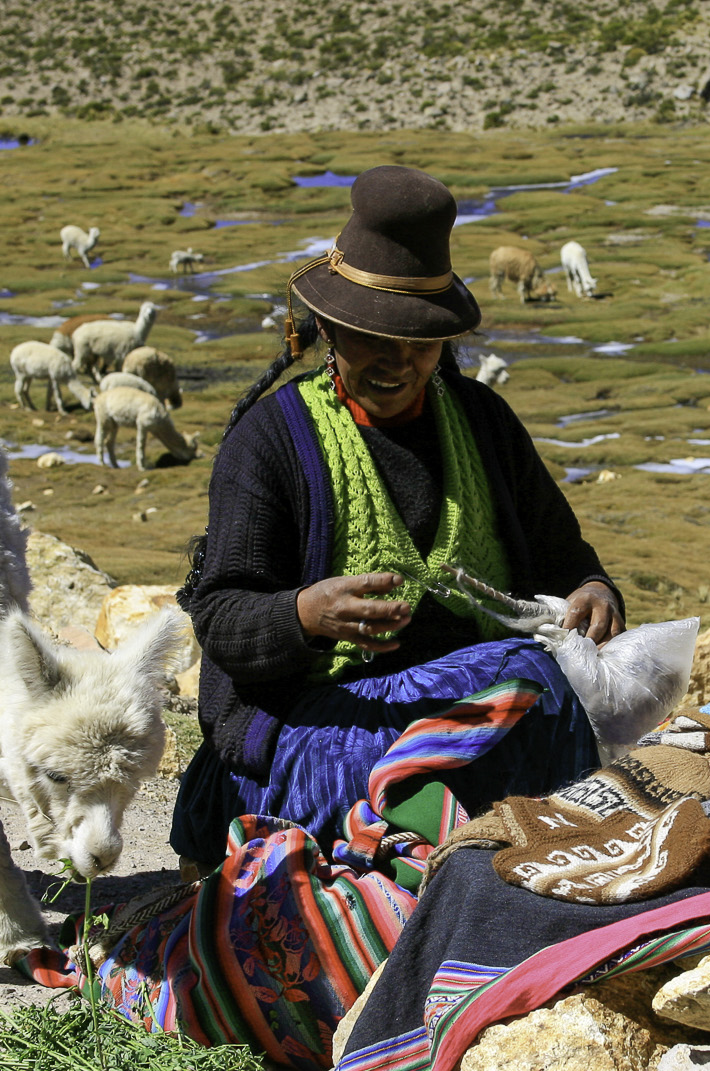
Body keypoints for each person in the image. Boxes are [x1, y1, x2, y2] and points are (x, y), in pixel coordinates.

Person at [169, 165, 623, 870]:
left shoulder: (483, 424)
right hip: (310, 729)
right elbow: (222, 615)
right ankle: (465, 855)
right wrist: (302, 616)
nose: (397, 361)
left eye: (419, 340)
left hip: (467, 715)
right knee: (521, 680)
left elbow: (565, 558)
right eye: (372, 336)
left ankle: (477, 854)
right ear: (327, 328)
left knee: (542, 687)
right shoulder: (270, 442)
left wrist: (593, 593)